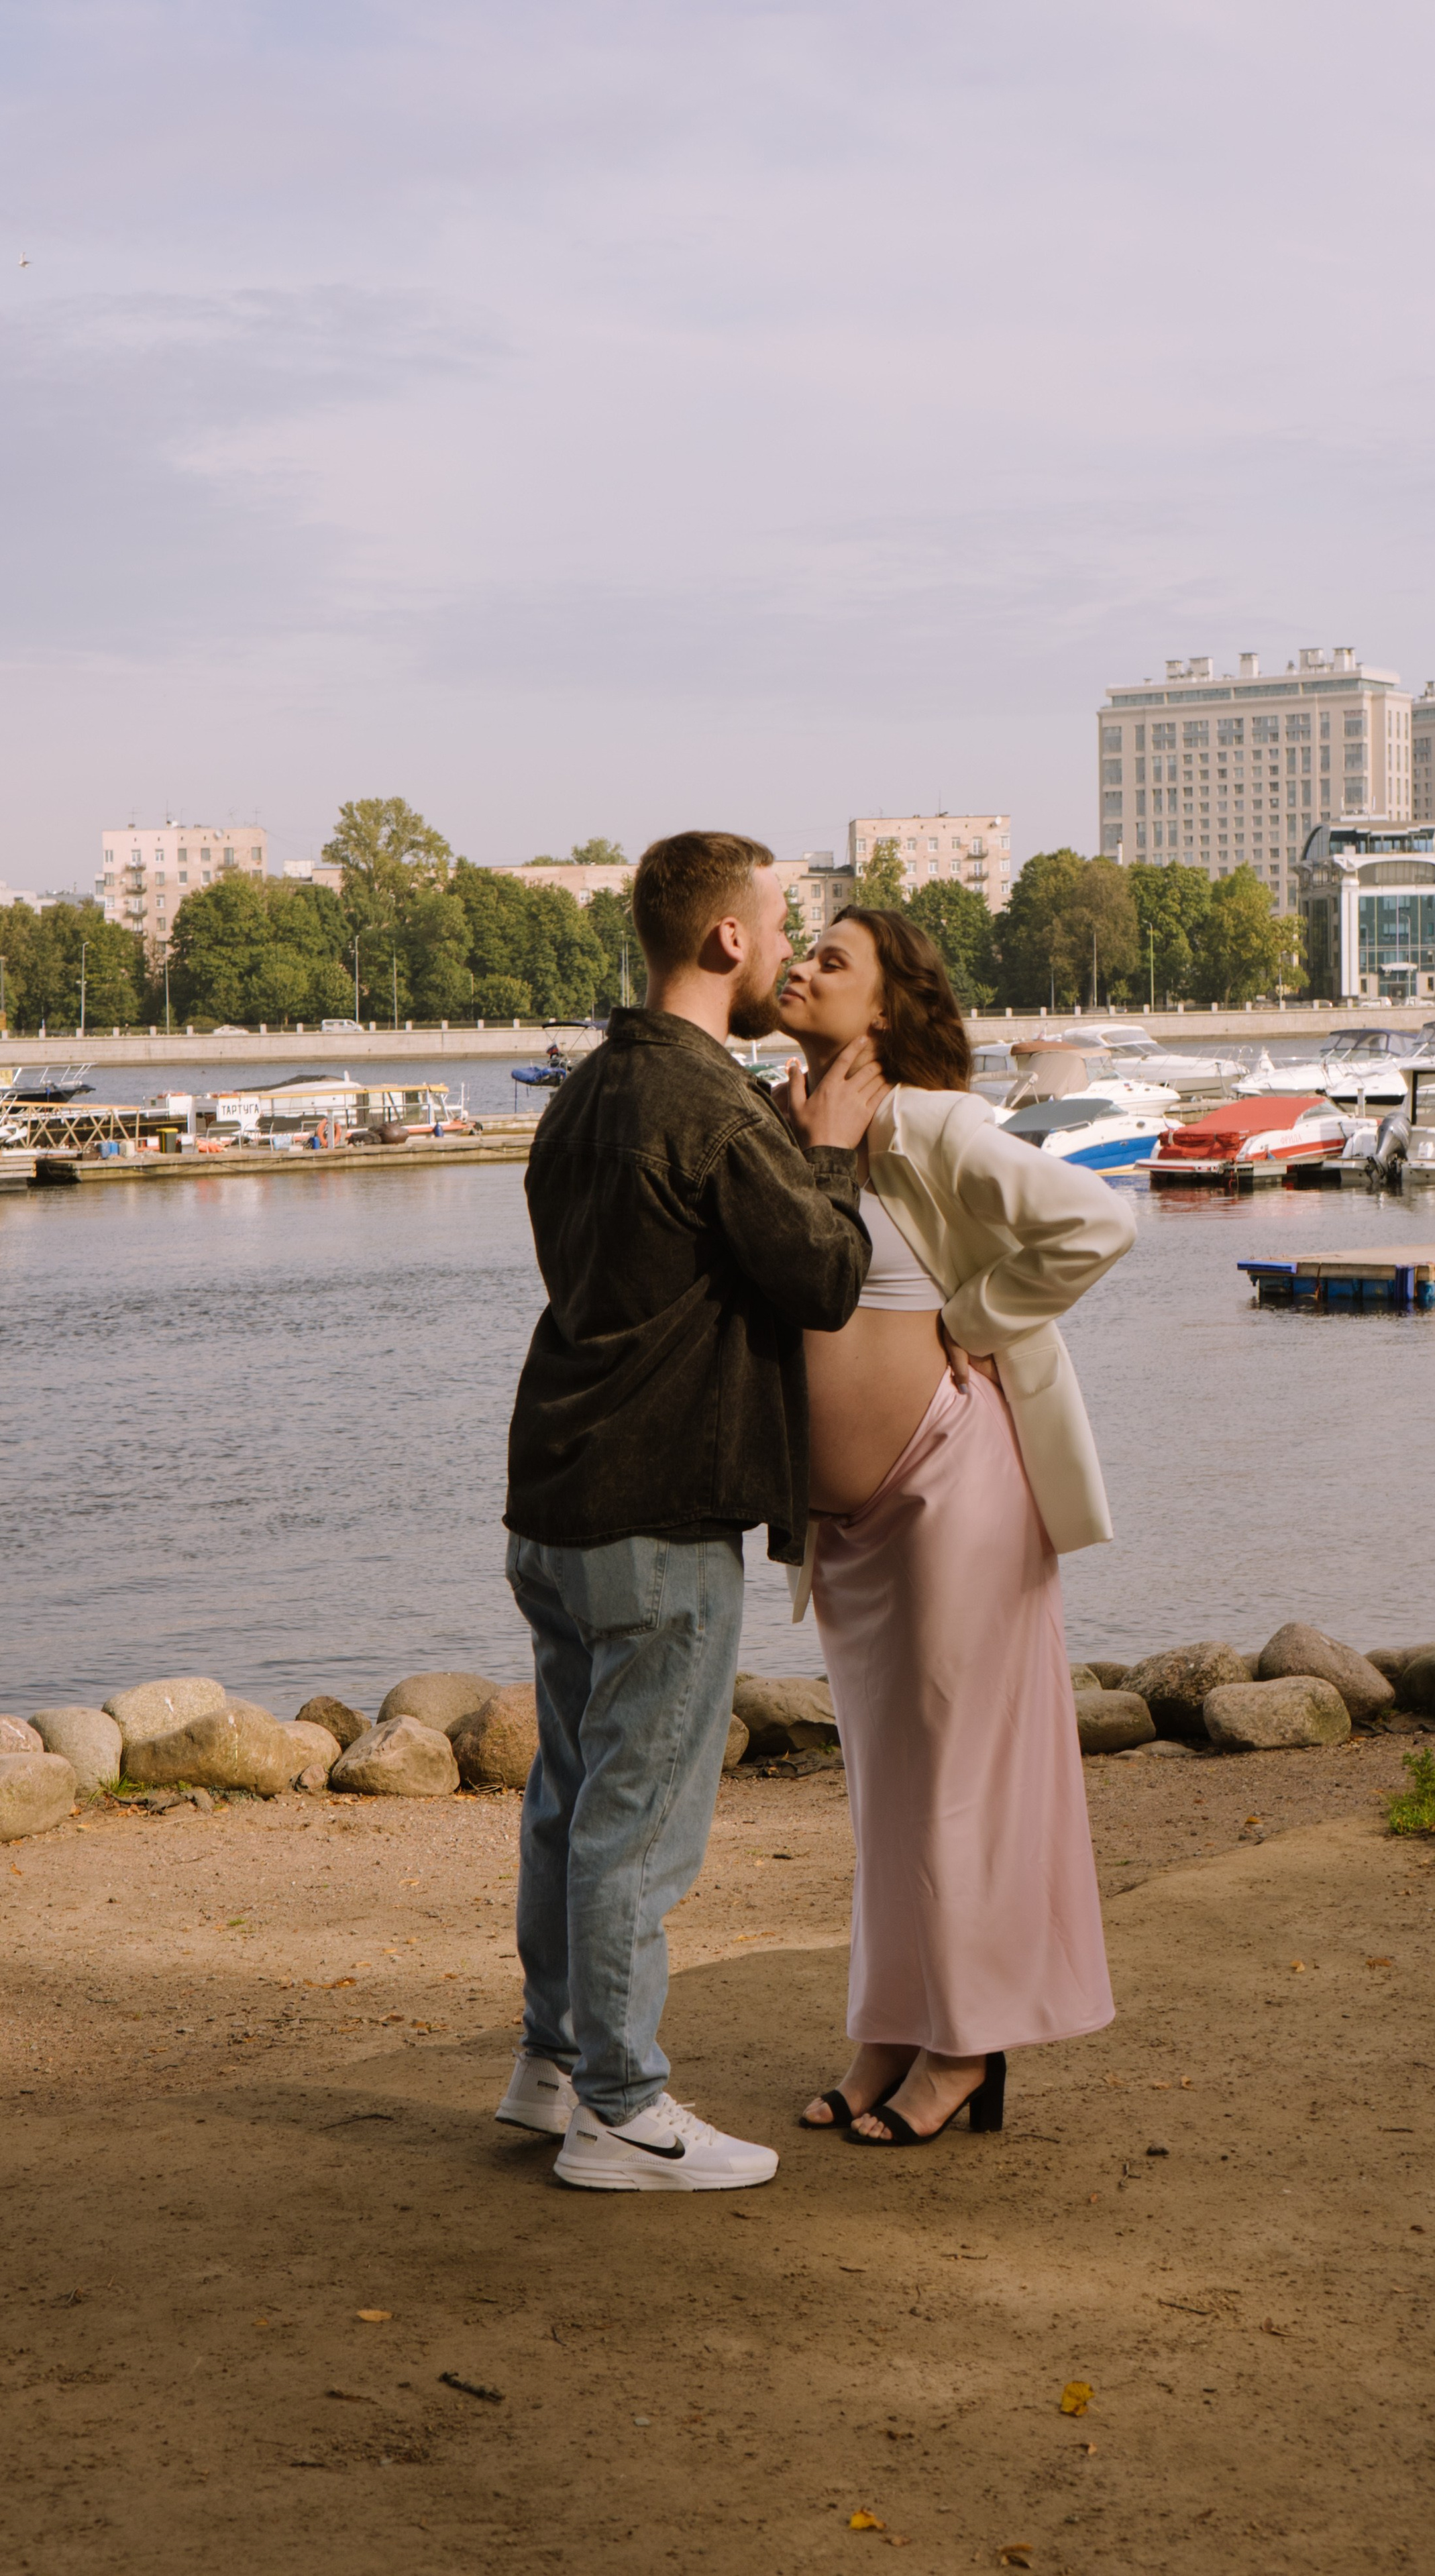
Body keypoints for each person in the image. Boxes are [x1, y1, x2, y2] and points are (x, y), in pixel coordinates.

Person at [497, 830, 887, 2192]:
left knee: (568, 1800)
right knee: (635, 1824)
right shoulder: (709, 1106)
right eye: (778, 925)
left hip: (552, 1495)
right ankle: (619, 2109)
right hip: (656, 1508)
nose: (785, 947)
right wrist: (827, 1147)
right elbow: (826, 1278)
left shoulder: (586, 1091)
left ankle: (552, 2069)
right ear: (726, 939)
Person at [774, 908, 1135, 2146]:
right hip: (857, 1526)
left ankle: (966, 2047)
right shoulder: (803, 1121)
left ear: (885, 1008)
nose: (801, 966)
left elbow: (1097, 1219)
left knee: (960, 1782)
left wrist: (974, 1318)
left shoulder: (928, 1121)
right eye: (802, 947)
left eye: (833, 960)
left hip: (953, 1484)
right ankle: (889, 2027)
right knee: (888, 1784)